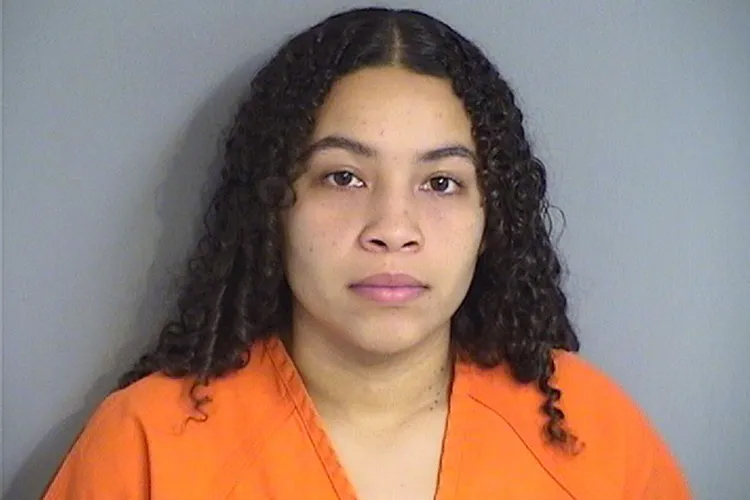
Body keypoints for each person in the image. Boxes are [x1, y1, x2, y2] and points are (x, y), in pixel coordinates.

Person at [42, 7, 691, 499]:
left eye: (441, 183)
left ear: (492, 218)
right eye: (343, 177)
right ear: (273, 204)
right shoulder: (145, 443)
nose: (393, 228)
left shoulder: (594, 432)